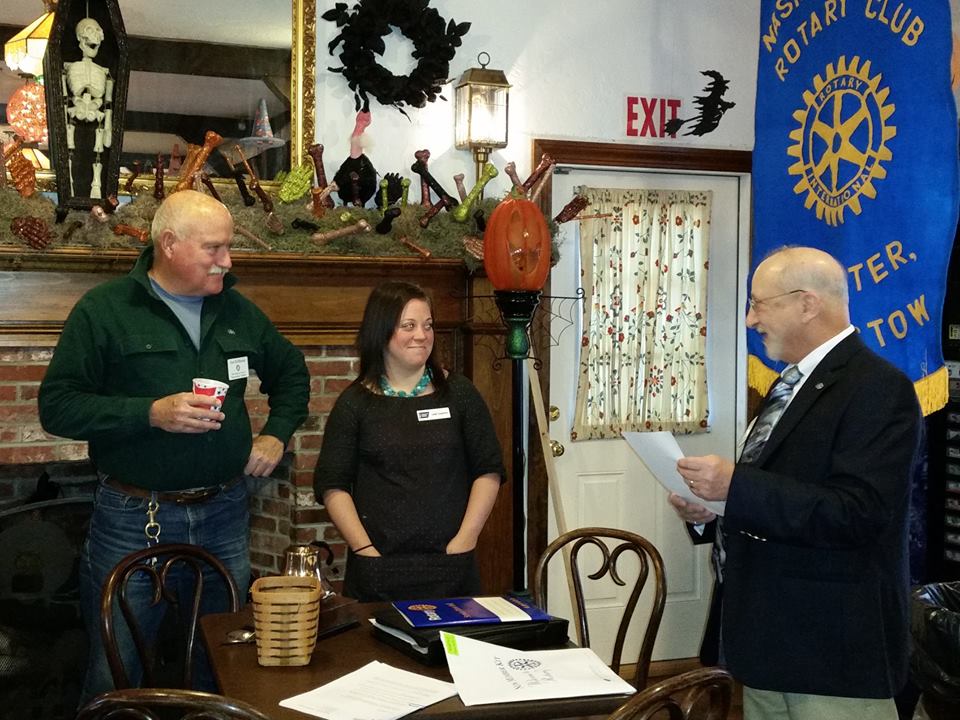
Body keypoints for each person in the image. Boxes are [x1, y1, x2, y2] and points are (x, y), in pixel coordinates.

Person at [38, 190, 310, 704]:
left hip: (225, 515)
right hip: (132, 519)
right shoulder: (105, 310)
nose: (227, 261)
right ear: (168, 244)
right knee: (117, 672)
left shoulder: (237, 310)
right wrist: (149, 412)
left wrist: (276, 433)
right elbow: (58, 407)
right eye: (213, 248)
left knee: (223, 664)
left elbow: (291, 373)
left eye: (228, 246)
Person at [671, 246, 921, 720]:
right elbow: (779, 492)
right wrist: (712, 510)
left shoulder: (878, 388)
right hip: (769, 643)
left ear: (807, 304)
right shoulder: (791, 383)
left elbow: (858, 513)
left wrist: (736, 487)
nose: (750, 320)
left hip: (832, 654)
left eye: (759, 304)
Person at [314, 280, 504, 601]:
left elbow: (488, 469)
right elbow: (333, 484)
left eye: (428, 325)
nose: (422, 335)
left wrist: (465, 540)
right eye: (409, 326)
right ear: (381, 331)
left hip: (451, 564)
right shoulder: (354, 403)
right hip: (378, 568)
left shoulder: (460, 394)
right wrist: (364, 549)